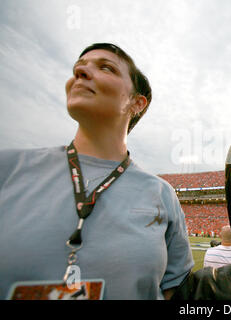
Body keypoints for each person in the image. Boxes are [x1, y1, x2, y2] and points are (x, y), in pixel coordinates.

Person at [0, 43, 194, 300]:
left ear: (137, 102)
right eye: (78, 67)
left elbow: (175, 290)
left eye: (106, 67)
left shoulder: (162, 194)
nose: (80, 72)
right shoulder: (8, 168)